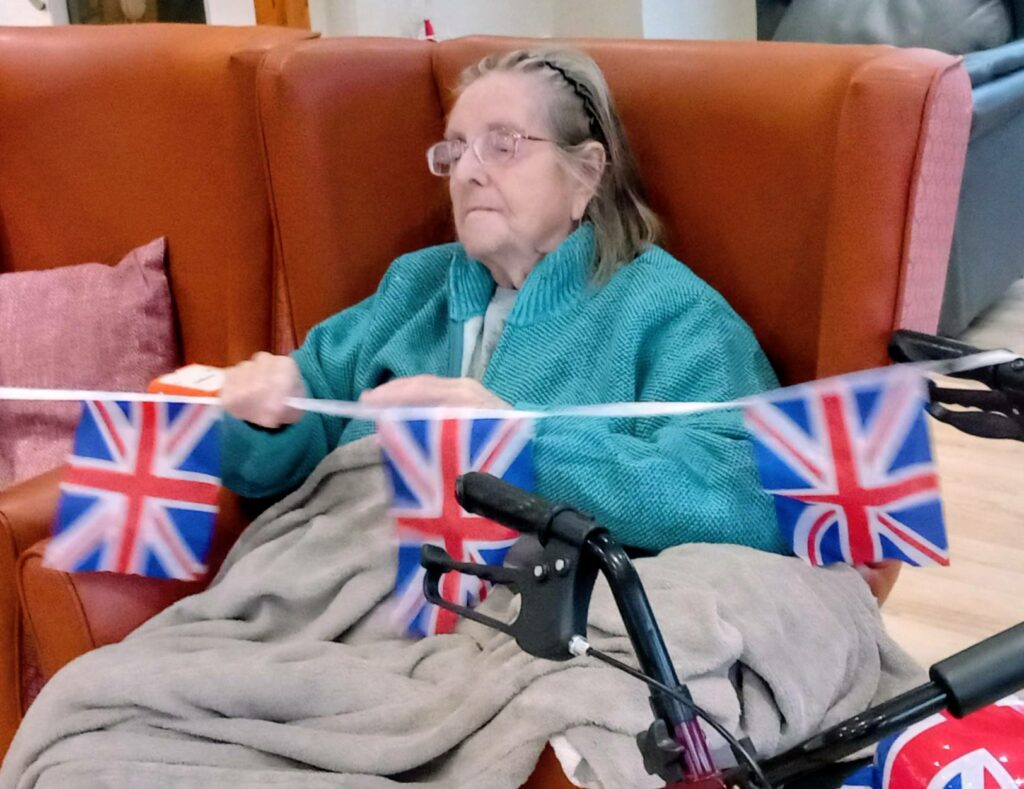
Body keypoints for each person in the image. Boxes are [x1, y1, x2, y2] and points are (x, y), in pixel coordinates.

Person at [220, 46, 787, 554]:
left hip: (524, 614)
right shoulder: (414, 285)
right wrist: (268, 418)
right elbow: (307, 427)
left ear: (586, 174)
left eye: (502, 145)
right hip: (339, 579)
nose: (466, 172)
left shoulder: (671, 313)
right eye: (456, 149)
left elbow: (750, 498)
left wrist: (514, 441)